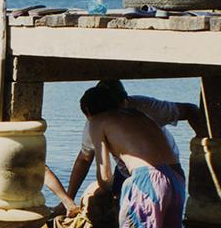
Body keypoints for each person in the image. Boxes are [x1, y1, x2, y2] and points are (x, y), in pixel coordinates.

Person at [64, 79, 204, 209]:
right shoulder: (97, 118)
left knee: (136, 221)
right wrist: (68, 199)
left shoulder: (146, 107)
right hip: (151, 171)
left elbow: (190, 110)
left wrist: (205, 149)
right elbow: (85, 158)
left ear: (125, 100)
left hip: (160, 168)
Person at [81, 86, 186, 228]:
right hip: (176, 178)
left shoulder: (97, 122)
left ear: (88, 111)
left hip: (148, 181)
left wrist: (104, 194)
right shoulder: (138, 114)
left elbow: (104, 176)